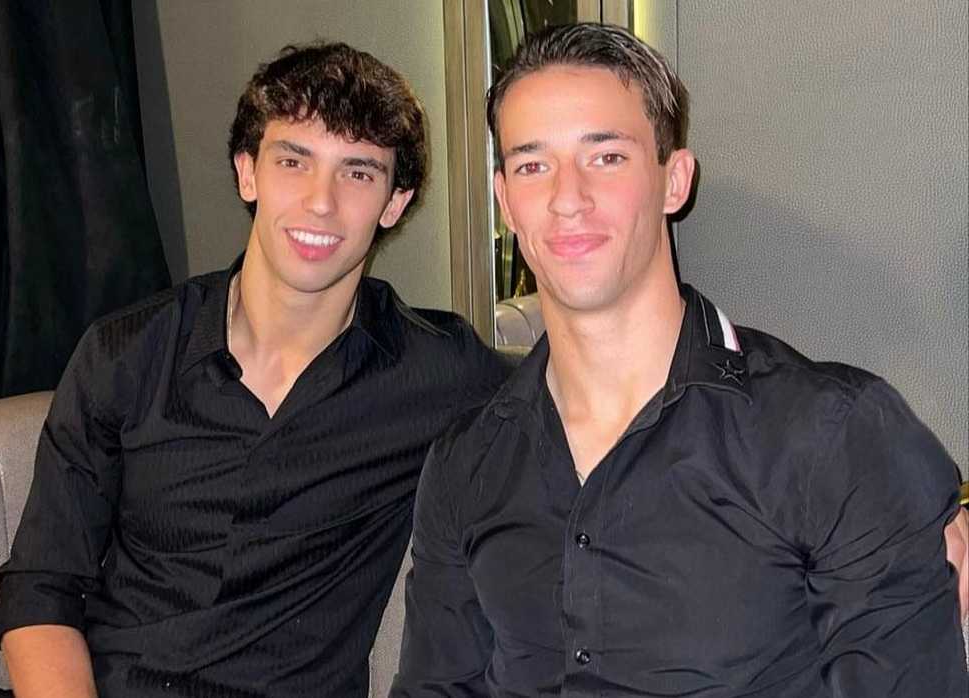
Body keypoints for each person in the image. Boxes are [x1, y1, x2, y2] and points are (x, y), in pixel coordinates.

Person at [392, 22, 969, 697]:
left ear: (675, 180)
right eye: (532, 164)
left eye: (605, 158)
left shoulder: (827, 436)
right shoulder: (467, 461)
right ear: (506, 204)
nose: (566, 198)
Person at [0, 42, 509, 697]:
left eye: (358, 173)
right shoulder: (124, 354)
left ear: (395, 204)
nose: (321, 202)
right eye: (294, 161)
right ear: (247, 173)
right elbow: (41, 589)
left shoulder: (439, 373)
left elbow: (595, 393)